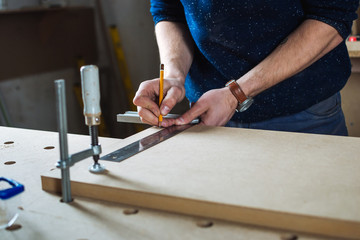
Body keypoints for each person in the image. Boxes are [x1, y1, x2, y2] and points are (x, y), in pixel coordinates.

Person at [133, 0, 359, 135]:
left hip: (303, 113)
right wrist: (174, 75)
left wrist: (236, 93)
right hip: (207, 115)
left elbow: (330, 16)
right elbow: (170, 11)